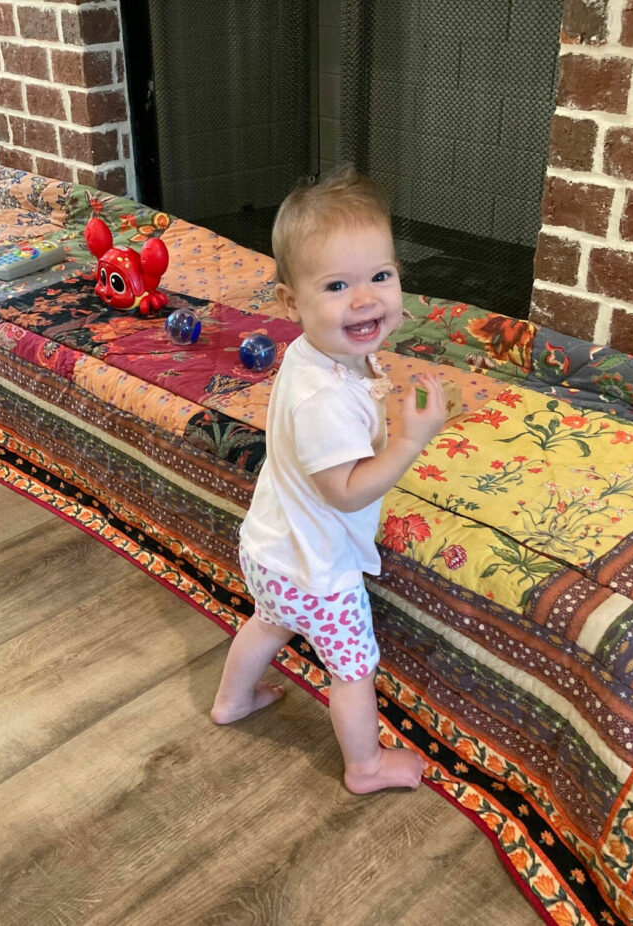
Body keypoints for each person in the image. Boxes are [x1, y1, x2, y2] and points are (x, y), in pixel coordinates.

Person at [211, 167, 447, 794]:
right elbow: (346, 491)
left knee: (268, 621)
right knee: (352, 669)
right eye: (338, 285)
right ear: (291, 304)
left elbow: (353, 387)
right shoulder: (323, 399)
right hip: (318, 568)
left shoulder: (319, 352)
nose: (366, 299)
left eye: (380, 276)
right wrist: (407, 441)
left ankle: (232, 702)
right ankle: (365, 766)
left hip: (270, 550)